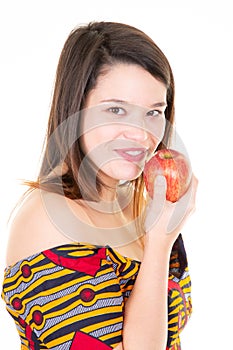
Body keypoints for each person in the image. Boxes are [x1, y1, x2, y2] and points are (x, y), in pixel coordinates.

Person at [1, 21, 198, 350]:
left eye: (153, 113)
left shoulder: (137, 207)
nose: (140, 135)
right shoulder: (48, 217)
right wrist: (160, 244)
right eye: (116, 110)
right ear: (76, 110)